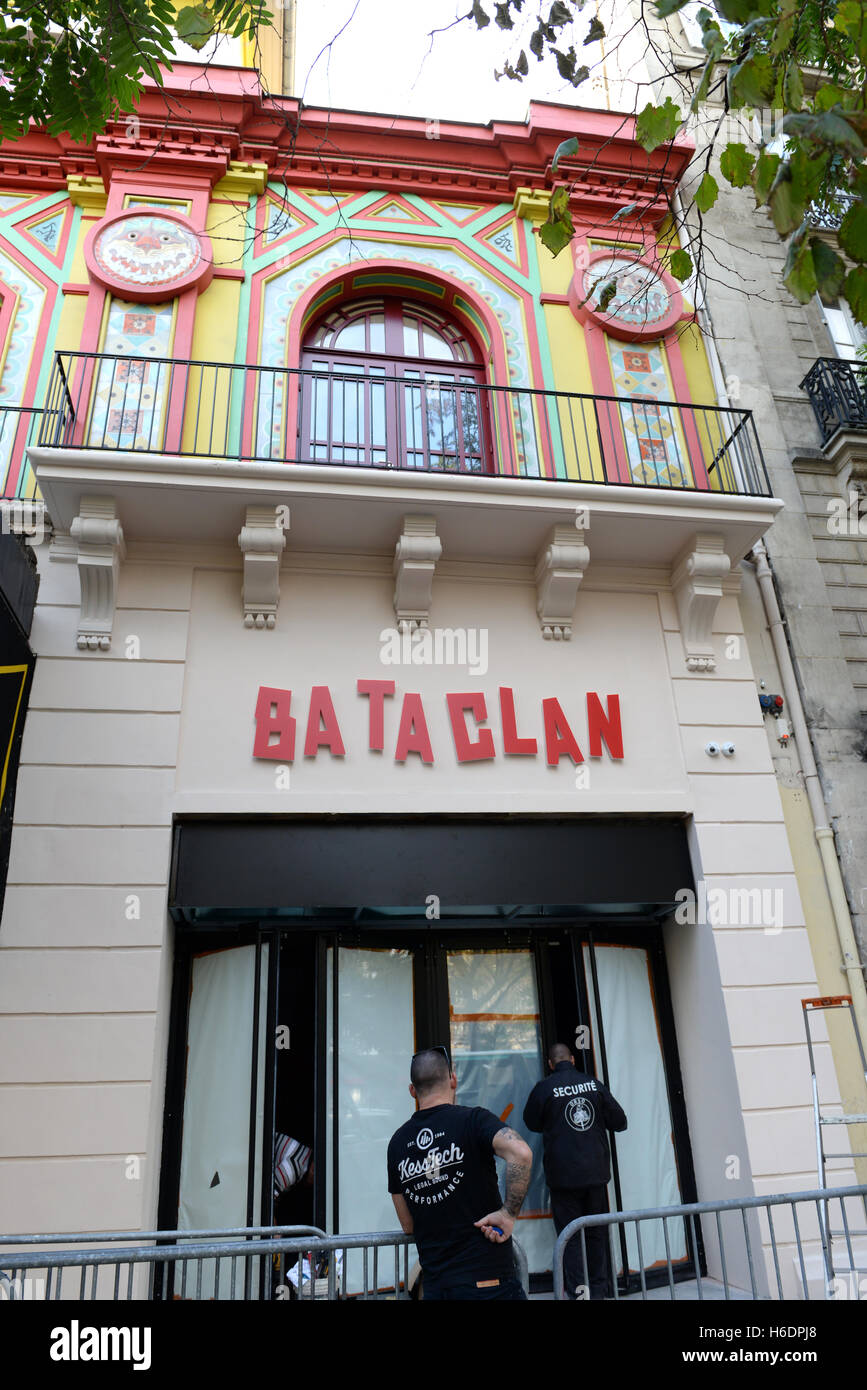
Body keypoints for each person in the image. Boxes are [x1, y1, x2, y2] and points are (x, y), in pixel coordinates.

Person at [387, 1045, 533, 1301]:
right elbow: (521, 1152)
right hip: (488, 1282)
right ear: (453, 1079)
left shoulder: (397, 1143)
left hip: (436, 1287)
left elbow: (408, 1224)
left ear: (412, 1090)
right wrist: (508, 1213)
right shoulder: (474, 1120)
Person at [523, 1041, 627, 1300]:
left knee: (569, 1239)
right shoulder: (593, 1084)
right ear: (572, 1059)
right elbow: (620, 1121)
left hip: (563, 1178)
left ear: (550, 1063)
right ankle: (600, 1292)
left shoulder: (544, 1088)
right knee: (596, 1234)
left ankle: (580, 1294)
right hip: (595, 1176)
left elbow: (531, 1121)